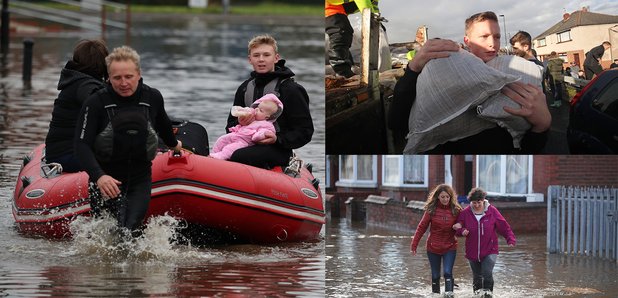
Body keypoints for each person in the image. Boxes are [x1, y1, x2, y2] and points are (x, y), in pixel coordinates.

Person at [388, 11, 550, 153]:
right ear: (467, 41)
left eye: (497, 37)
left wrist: (543, 125)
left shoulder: (515, 74)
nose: (492, 43)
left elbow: (529, 148)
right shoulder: (444, 72)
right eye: (484, 36)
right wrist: (414, 68)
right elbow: (397, 122)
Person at [75, 46, 182, 235]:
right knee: (104, 237)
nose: (124, 83)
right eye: (117, 78)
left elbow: (164, 125)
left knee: (129, 230)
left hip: (139, 179)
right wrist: (99, 176)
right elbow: (81, 145)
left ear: (138, 74)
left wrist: (175, 146)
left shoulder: (153, 97)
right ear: (108, 77)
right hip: (106, 180)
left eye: (128, 77)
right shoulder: (96, 102)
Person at [226, 34, 313, 169]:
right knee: (224, 150)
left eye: (266, 55)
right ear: (250, 59)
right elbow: (229, 126)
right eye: (256, 55)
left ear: (276, 58)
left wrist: (277, 139)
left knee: (239, 156)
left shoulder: (292, 90)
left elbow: (305, 131)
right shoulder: (244, 88)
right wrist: (239, 123)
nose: (261, 60)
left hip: (278, 148)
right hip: (245, 142)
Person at [44, 39, 109, 173]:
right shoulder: (86, 85)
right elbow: (100, 105)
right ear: (102, 63)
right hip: (68, 156)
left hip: (58, 152)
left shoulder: (75, 80)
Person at [453, 187, 516, 297]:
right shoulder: (465, 213)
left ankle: (488, 295)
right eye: (474, 203)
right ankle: (477, 295)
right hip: (472, 251)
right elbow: (457, 228)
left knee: (487, 273)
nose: (476, 205)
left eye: (479, 202)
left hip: (490, 249)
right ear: (470, 201)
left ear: (483, 200)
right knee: (477, 277)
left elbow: (504, 226)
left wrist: (510, 239)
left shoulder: (492, 211)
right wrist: (462, 231)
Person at [410, 184, 462, 296]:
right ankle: (435, 295)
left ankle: (449, 295)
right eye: (442, 197)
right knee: (435, 276)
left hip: (450, 247)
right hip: (433, 247)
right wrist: (414, 244)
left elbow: (464, 225)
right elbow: (421, 227)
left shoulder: (456, 210)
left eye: (447, 197)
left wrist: (460, 226)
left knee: (447, 273)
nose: (445, 199)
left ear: (451, 197)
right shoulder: (431, 210)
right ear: (438, 196)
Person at [211, 94, 283, 160]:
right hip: (236, 136)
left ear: (267, 117)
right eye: (257, 107)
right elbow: (231, 125)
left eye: (260, 110)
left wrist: (259, 136)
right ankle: (213, 154)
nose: (256, 110)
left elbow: (263, 133)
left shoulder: (267, 125)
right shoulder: (251, 119)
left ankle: (221, 156)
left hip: (245, 142)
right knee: (222, 140)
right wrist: (241, 121)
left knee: (231, 148)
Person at [325, 0, 379, 78]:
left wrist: (377, 21)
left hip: (337, 5)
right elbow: (364, 4)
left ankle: (348, 68)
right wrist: (372, 19)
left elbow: (373, 6)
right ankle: (342, 73)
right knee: (340, 33)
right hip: (330, 5)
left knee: (344, 33)